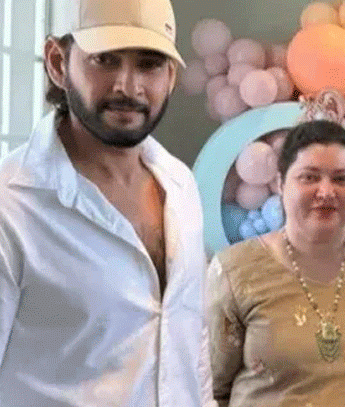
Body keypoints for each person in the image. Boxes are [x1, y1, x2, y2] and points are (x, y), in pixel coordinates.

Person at [0, 0, 215, 405]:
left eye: (149, 64)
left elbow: (192, 346)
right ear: (58, 63)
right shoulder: (10, 205)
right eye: (105, 59)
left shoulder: (181, 185)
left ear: (170, 76)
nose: (128, 87)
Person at [207, 120, 345, 407]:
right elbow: (212, 388)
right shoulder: (235, 270)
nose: (326, 191)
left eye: (341, 179)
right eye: (309, 177)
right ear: (280, 183)